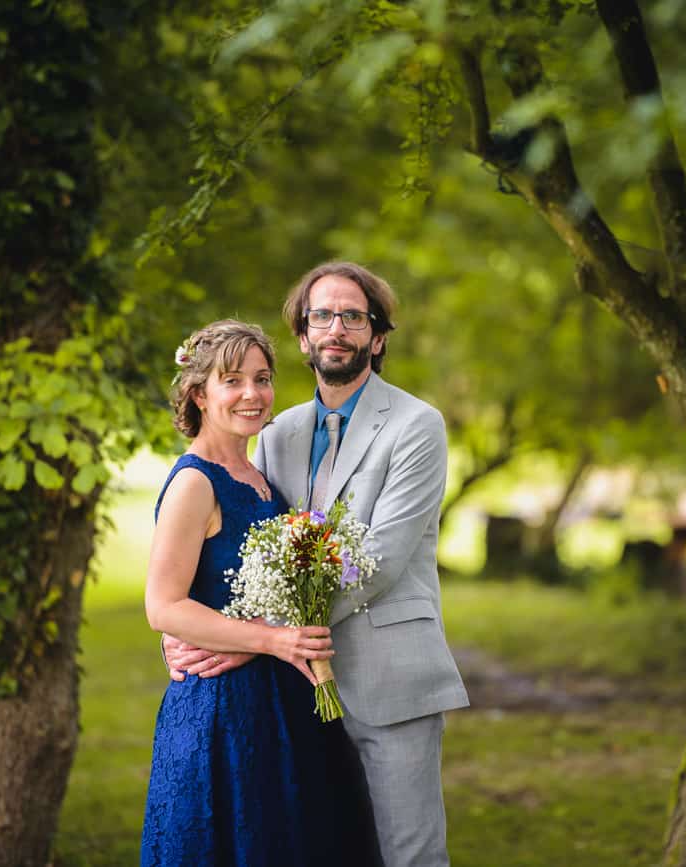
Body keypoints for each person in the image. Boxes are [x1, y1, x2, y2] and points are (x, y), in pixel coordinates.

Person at [164, 263, 469, 867]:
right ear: (303, 337)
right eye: (321, 316)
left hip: (390, 683)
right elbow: (252, 551)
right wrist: (192, 631)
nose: (337, 328)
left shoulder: (416, 426)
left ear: (376, 337)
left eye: (353, 316)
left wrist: (262, 641)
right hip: (295, 694)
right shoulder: (277, 432)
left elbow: (377, 561)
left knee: (408, 856)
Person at [140, 319, 371, 867]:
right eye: (232, 380)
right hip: (221, 710)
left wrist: (275, 637)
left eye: (262, 378)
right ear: (199, 393)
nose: (253, 394)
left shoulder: (258, 475)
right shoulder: (195, 482)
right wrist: (271, 641)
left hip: (280, 699)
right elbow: (163, 606)